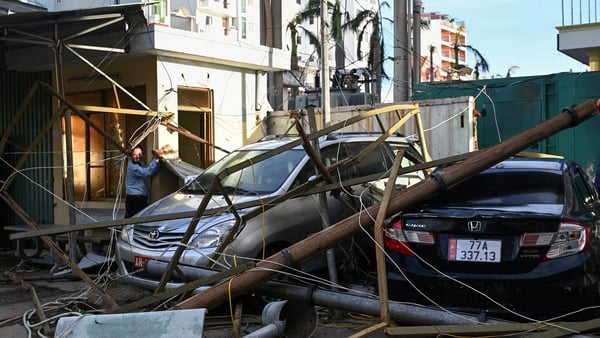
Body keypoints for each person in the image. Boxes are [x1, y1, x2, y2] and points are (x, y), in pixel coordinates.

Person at [125, 145, 162, 218]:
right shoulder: (133, 167)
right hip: (135, 200)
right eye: (135, 155)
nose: (138, 156)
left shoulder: (140, 164)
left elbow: (149, 169)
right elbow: (147, 172)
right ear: (130, 155)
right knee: (136, 221)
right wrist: (156, 159)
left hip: (139, 198)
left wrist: (158, 162)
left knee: (133, 221)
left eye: (140, 154)